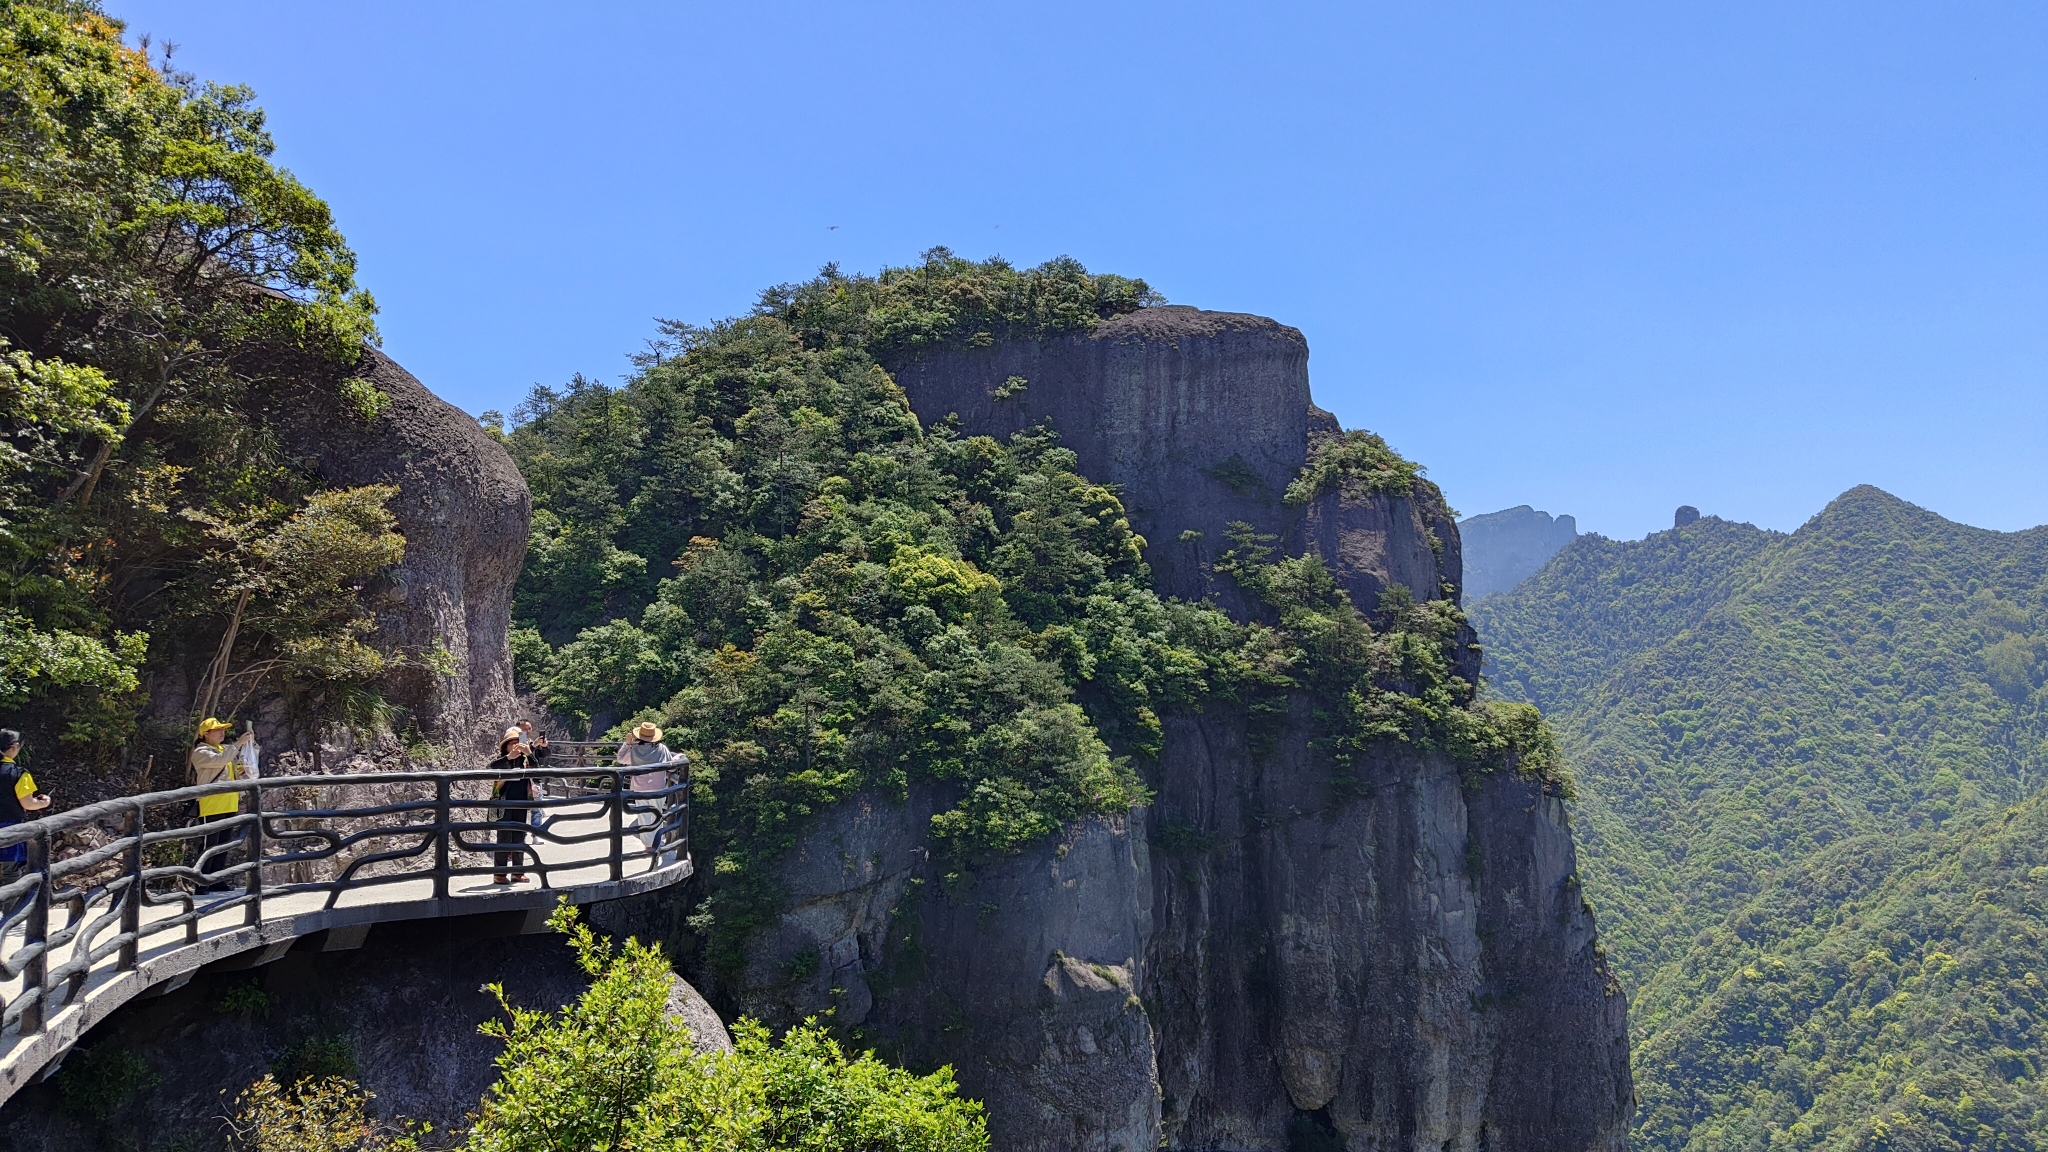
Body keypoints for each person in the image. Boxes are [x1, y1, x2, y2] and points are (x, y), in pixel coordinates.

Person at [188, 717, 252, 892]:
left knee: (224, 844)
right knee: (210, 844)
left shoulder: (225, 749)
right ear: (205, 734)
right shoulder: (200, 752)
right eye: (217, 730)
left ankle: (216, 879)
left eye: (222, 729)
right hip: (211, 803)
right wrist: (238, 743)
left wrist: (248, 755)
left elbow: (234, 765)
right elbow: (220, 760)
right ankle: (201, 882)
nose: (221, 732)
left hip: (229, 802)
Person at [613, 722, 683, 863]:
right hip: (657, 788)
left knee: (643, 816)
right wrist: (678, 757)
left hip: (639, 789)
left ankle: (648, 846)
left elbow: (620, 758)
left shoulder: (633, 750)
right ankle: (657, 843)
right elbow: (670, 767)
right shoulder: (662, 749)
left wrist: (627, 744)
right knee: (657, 814)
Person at [0, 729, 51, 896]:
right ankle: (10, 918)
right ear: (14, 747)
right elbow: (29, 804)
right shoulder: (18, 773)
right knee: (11, 873)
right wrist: (44, 802)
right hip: (10, 827)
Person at [488, 727, 540, 884]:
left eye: (518, 742)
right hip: (503, 801)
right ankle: (500, 874)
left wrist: (529, 753)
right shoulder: (502, 759)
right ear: (506, 746)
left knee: (519, 837)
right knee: (504, 838)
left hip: (521, 801)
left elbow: (537, 775)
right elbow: (491, 767)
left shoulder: (526, 760)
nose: (516, 746)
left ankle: (517, 872)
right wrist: (509, 757)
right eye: (512, 743)